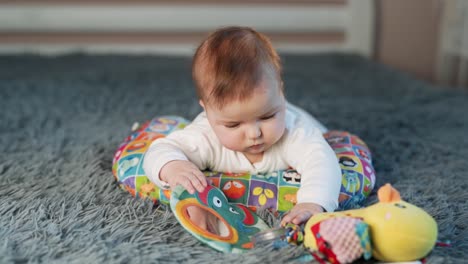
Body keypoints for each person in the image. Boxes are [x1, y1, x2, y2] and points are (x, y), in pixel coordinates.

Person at [143, 26, 341, 230]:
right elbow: (159, 150)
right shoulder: (204, 136)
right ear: (208, 111)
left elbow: (322, 162)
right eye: (233, 124)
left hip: (307, 124)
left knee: (319, 140)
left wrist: (312, 202)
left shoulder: (296, 131)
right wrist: (173, 168)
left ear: (280, 92)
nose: (254, 134)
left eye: (267, 116)